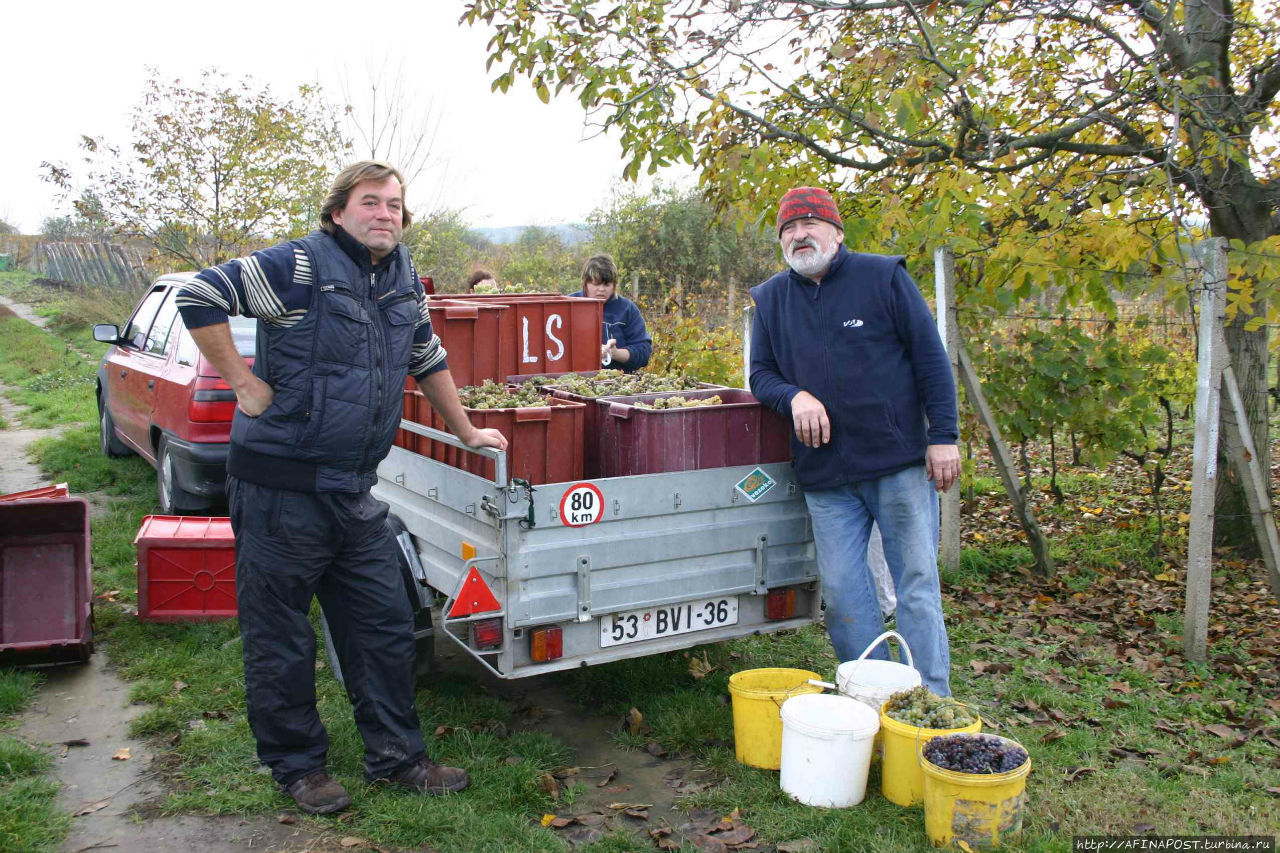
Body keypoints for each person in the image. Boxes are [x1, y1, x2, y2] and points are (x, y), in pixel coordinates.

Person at [174, 161, 508, 815]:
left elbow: (426, 355)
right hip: (279, 491)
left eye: (395, 204)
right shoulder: (296, 267)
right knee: (281, 637)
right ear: (338, 212)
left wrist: (467, 428)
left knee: (383, 626)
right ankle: (299, 767)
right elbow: (199, 296)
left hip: (354, 490)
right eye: (370, 202)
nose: (385, 213)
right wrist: (243, 381)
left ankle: (397, 757)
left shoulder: (404, 276)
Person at [748, 186, 960, 694]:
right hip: (826, 476)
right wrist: (794, 396)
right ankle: (875, 693)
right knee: (843, 594)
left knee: (915, 587)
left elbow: (931, 358)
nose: (799, 236)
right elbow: (760, 374)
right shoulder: (772, 299)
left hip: (897, 464)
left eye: (810, 225)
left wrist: (944, 436)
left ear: (837, 234)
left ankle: (929, 699)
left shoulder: (883, 277)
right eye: (788, 229)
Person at [570, 254, 651, 373]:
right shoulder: (568, 305)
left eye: (607, 285)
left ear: (614, 285)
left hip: (618, 381)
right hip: (572, 379)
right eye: (596, 284)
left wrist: (615, 353)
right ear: (585, 283)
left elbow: (643, 351)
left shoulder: (627, 309)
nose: (602, 289)